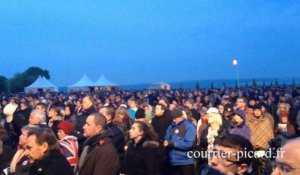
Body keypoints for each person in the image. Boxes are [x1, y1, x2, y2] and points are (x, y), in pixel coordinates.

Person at [164, 108, 196, 175]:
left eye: (175, 118)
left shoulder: (189, 126)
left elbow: (189, 144)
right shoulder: (171, 126)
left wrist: (174, 144)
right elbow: (167, 137)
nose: (174, 120)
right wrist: (166, 141)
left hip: (186, 161)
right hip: (173, 160)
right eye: (173, 118)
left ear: (180, 116)